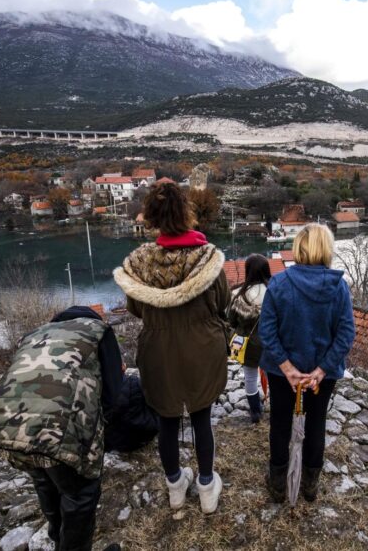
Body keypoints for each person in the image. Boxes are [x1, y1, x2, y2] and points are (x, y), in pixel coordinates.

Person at [113, 181, 229, 514]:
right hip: (202, 348)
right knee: (201, 418)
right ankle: (207, 487)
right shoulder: (207, 259)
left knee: (165, 420)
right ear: (186, 213)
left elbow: (136, 308)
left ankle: (176, 487)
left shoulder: (139, 263)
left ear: (151, 217)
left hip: (158, 350)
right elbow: (221, 302)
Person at [0, 306, 122, 551]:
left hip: (6, 423)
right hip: (57, 426)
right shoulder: (99, 330)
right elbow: (113, 391)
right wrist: (99, 433)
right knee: (80, 495)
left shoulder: (34, 334)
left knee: (45, 480)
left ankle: (59, 540)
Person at [259, 223, 355, 503]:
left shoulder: (279, 282)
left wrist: (287, 368)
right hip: (320, 377)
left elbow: (267, 331)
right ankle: (310, 486)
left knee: (279, 423)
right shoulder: (339, 287)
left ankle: (278, 485)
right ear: (326, 249)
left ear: (298, 247)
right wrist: (321, 370)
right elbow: (347, 333)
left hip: (280, 373)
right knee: (316, 424)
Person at [227, 254, 272, 423]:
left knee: (250, 377)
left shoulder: (237, 295)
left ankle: (255, 412)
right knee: (273, 377)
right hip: (270, 344)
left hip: (248, 346)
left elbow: (230, 321)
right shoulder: (274, 292)